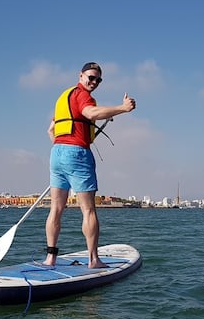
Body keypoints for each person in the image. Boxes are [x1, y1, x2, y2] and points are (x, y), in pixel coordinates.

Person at [43, 62, 136, 268]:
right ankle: (94, 260)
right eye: (91, 77)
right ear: (81, 75)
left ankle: (50, 258)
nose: (94, 82)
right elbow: (90, 113)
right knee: (88, 211)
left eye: (98, 80)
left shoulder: (63, 98)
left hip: (56, 153)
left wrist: (63, 150)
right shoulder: (83, 95)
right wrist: (122, 108)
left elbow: (51, 130)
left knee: (56, 209)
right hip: (77, 153)